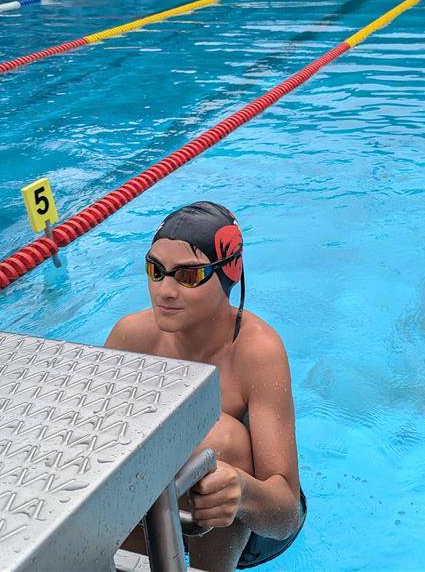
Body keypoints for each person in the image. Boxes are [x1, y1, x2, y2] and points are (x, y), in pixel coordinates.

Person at [106, 202, 304, 572]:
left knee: (221, 438)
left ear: (229, 274)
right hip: (169, 504)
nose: (165, 291)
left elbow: (287, 516)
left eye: (188, 276)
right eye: (156, 271)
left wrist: (241, 491)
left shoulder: (257, 352)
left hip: (251, 521)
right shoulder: (131, 337)